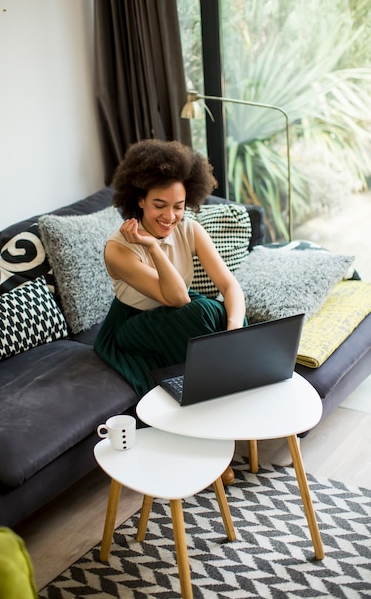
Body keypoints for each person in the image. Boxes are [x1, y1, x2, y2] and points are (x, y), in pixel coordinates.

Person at [94, 139, 246, 485]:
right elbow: (176, 298)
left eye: (179, 206)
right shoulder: (118, 248)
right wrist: (152, 246)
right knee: (201, 314)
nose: (171, 216)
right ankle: (212, 440)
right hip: (133, 324)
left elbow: (230, 286)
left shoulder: (189, 226)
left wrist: (234, 328)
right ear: (140, 200)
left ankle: (231, 421)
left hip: (178, 308)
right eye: (160, 205)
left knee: (224, 316)